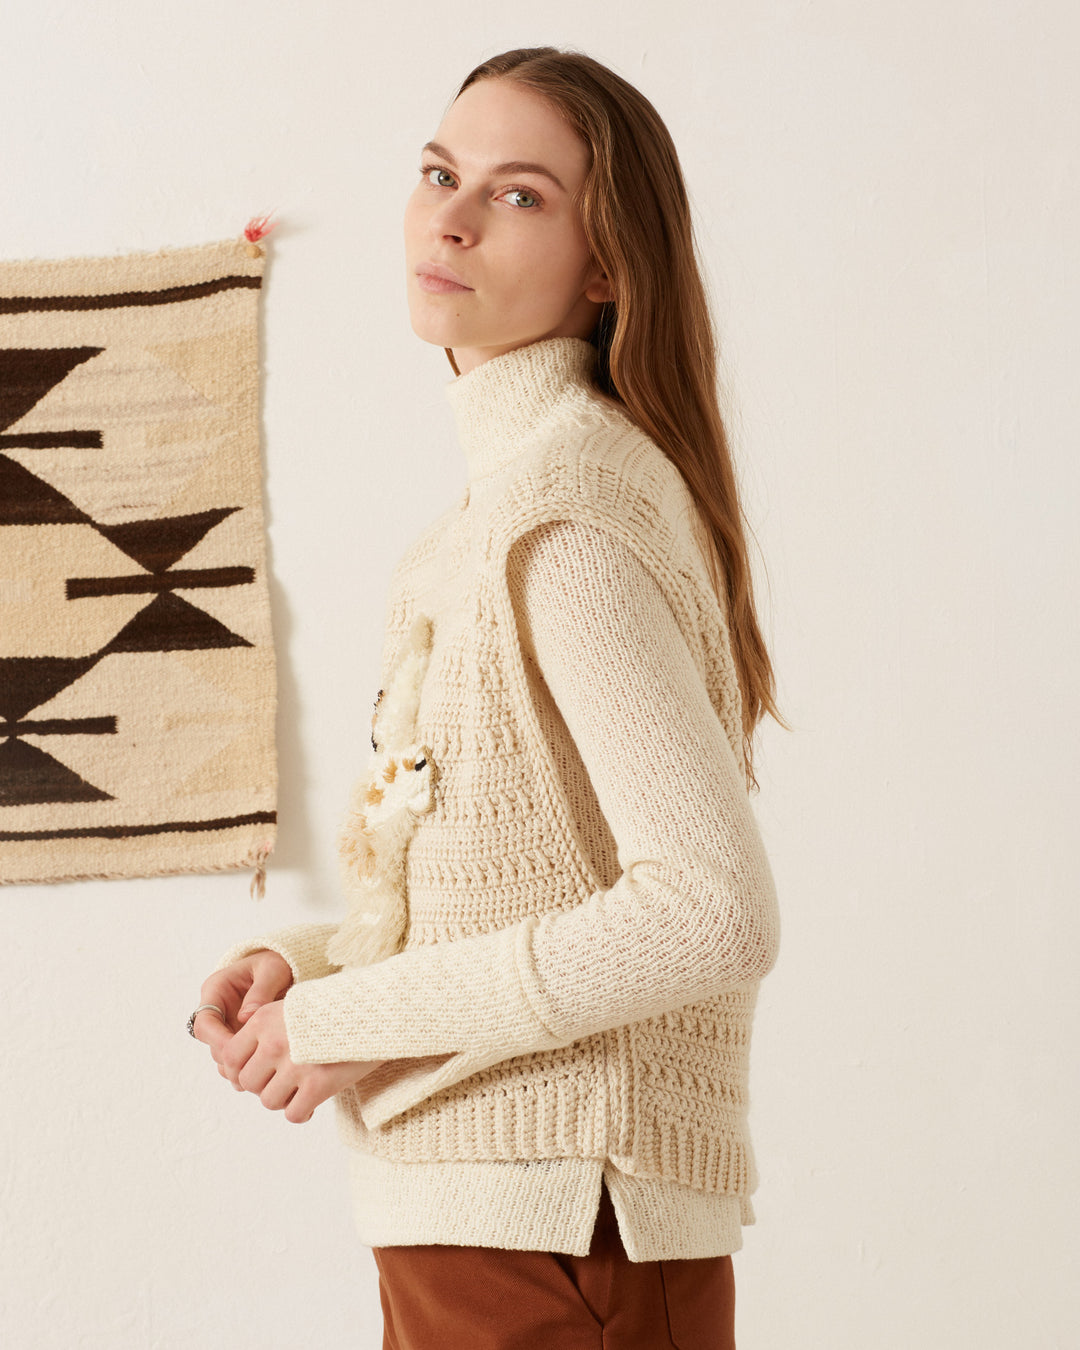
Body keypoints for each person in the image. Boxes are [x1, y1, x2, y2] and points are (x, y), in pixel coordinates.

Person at [191, 45, 784, 1349]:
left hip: (560, 1233)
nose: (451, 217)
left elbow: (710, 910)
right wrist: (311, 963)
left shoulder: (564, 518)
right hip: (495, 1230)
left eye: (519, 195)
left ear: (608, 264)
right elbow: (508, 887)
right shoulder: (485, 523)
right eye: (439, 174)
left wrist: (343, 1017)